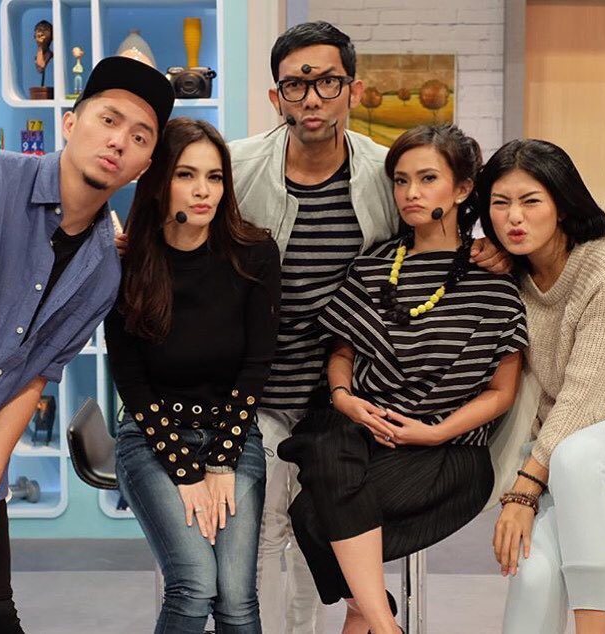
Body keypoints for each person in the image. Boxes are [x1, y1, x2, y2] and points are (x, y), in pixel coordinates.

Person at [227, 21, 511, 634]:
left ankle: (351, 618)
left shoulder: (385, 172)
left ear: (353, 90)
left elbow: (433, 235)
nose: (312, 98)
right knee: (265, 534)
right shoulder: (236, 168)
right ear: (276, 97)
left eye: (327, 82)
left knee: (318, 526)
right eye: (296, 85)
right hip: (263, 389)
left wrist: (489, 246)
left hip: (350, 400)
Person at [0, 55, 174, 633]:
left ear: (144, 166)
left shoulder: (103, 274)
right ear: (71, 123)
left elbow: (32, 380)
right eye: (108, 119)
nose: (118, 141)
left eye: (139, 136)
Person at [278, 124, 528, 634]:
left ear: (462, 189)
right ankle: (383, 622)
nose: (411, 193)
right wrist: (344, 397)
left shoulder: (496, 282)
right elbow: (342, 350)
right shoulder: (372, 267)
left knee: (313, 515)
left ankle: (367, 614)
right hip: (363, 436)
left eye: (428, 178)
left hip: (447, 451)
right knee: (328, 443)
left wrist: (435, 432)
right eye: (401, 180)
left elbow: (503, 391)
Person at [104, 117, 281, 634]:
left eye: (215, 176)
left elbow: (256, 366)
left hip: (233, 436)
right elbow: (131, 381)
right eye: (187, 175)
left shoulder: (254, 254)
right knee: (195, 584)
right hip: (151, 438)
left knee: (236, 599)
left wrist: (221, 460)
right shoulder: (128, 262)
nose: (204, 190)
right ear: (160, 182)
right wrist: (184, 470)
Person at [478, 139, 605, 634]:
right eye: (500, 203)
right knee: (532, 572)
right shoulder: (511, 279)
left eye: (531, 201)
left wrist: (524, 489)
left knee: (579, 454)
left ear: (563, 206)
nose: (514, 217)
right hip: (565, 459)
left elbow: (585, 399)